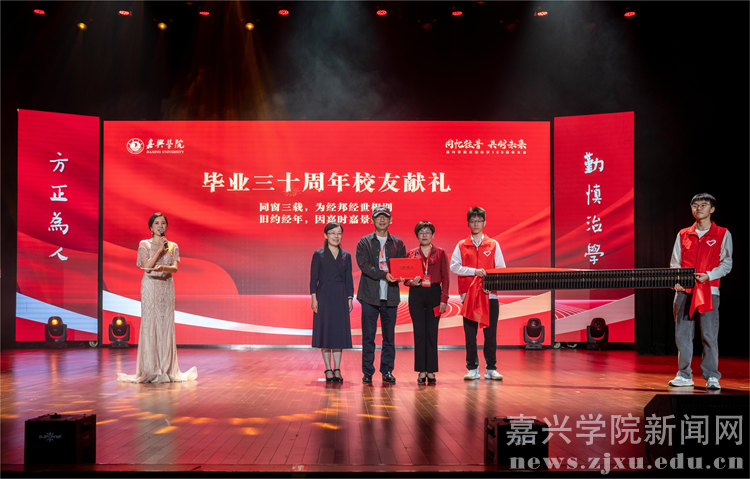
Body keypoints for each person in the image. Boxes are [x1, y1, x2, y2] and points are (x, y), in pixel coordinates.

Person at [118, 213, 197, 383]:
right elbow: (146, 267)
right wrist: (159, 250)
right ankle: (150, 368)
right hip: (150, 286)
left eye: (163, 223)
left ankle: (166, 367)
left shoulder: (173, 246)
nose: (160, 226)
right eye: (157, 223)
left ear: (166, 227)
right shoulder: (144, 244)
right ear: (151, 227)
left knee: (165, 324)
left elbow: (175, 268)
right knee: (150, 323)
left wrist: (165, 267)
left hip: (166, 285)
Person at [669, 193, 732, 390]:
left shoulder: (722, 233)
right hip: (684, 291)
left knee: (709, 335)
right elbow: (675, 263)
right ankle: (684, 374)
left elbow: (726, 263)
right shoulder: (683, 234)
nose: (698, 208)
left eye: (703, 205)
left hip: (709, 290)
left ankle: (712, 376)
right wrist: (676, 281)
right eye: (695, 205)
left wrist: (709, 276)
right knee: (682, 335)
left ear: (712, 209)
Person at [450, 206, 506, 381]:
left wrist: (492, 284)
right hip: (469, 297)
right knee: (470, 335)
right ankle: (472, 368)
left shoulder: (493, 244)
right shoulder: (461, 245)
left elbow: (501, 269)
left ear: (484, 223)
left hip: (490, 296)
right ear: (468, 223)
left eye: (479, 221)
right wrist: (474, 271)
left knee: (490, 334)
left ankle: (491, 368)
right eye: (473, 221)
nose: (476, 224)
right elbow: (454, 267)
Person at [356, 205, 406, 384]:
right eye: (378, 217)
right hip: (369, 296)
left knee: (389, 338)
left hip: (390, 297)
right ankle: (367, 371)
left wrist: (404, 275)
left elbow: (403, 266)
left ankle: (387, 370)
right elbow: (364, 266)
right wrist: (384, 275)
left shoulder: (398, 243)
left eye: (385, 217)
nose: (382, 220)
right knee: (368, 337)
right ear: (372, 220)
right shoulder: (364, 242)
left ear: (390, 220)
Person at [405, 221, 450, 385]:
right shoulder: (411, 253)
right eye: (421, 232)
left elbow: (446, 278)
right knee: (419, 332)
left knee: (432, 332)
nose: (424, 235)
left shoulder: (441, 253)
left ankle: (430, 370)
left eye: (427, 232)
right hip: (416, 294)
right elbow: (405, 278)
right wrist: (411, 282)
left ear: (432, 235)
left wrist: (444, 299)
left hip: (434, 293)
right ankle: (421, 371)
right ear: (417, 235)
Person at [310, 222, 354, 383]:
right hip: (324, 296)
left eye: (339, 233)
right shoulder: (318, 255)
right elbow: (313, 279)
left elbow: (349, 280)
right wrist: (314, 299)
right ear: (325, 235)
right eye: (332, 233)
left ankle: (337, 368)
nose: (336, 236)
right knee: (325, 332)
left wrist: (350, 298)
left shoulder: (346, 256)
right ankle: (328, 368)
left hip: (340, 297)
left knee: (338, 333)